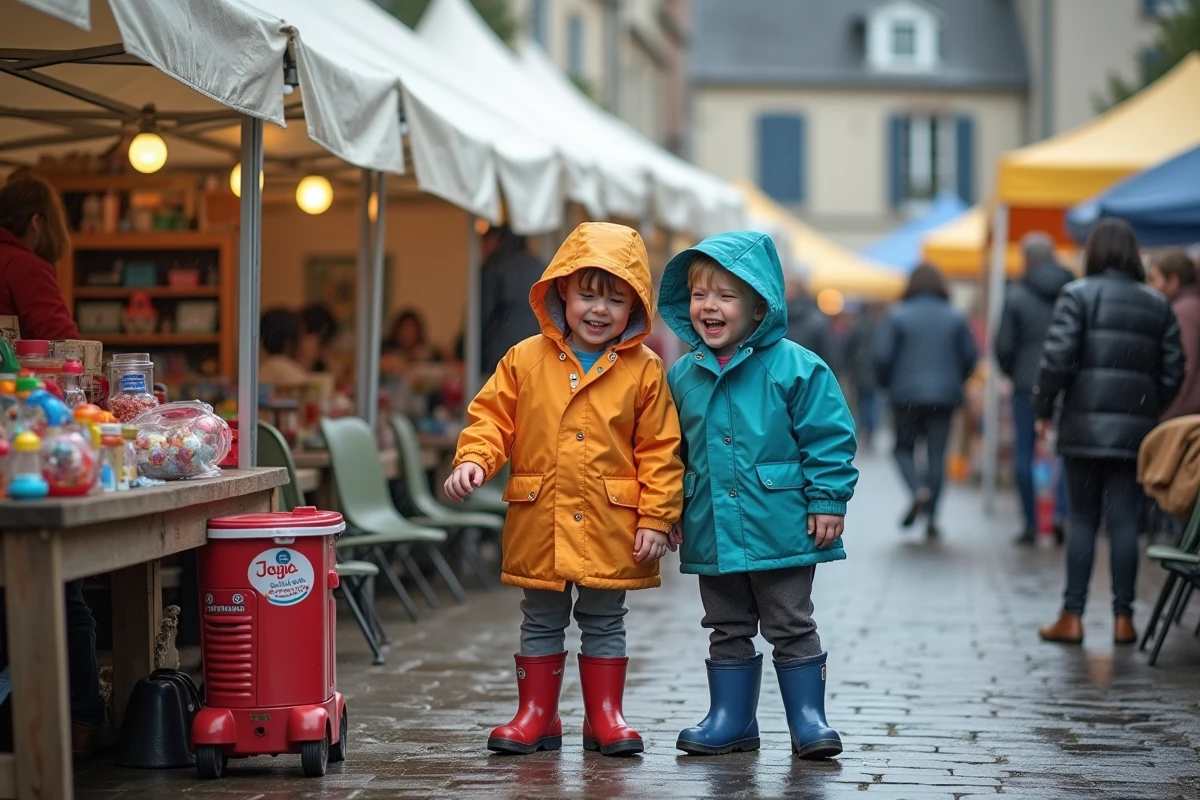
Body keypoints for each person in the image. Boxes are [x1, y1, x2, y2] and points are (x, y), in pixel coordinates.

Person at [443, 222, 683, 757]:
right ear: (561, 292)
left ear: (635, 306)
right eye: (587, 295)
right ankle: (537, 714)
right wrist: (475, 459)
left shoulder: (644, 370)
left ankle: (605, 716)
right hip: (542, 517)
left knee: (605, 619)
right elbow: (491, 419)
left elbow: (661, 450)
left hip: (611, 522)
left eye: (615, 300)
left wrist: (656, 517)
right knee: (541, 618)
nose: (599, 310)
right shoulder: (524, 358)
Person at [658, 232, 858, 760]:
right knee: (725, 625)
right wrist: (669, 508)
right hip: (711, 525)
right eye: (699, 295)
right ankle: (732, 719)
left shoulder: (796, 367)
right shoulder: (683, 376)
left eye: (726, 295)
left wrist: (827, 499)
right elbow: (668, 450)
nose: (709, 306)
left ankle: (808, 720)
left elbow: (829, 435)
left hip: (782, 523)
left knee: (790, 622)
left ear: (758, 306)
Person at [1036, 218, 1183, 647]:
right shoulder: (1157, 304)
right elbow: (1175, 368)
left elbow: (1056, 359)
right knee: (1124, 522)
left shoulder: (1077, 294)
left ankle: (1072, 615)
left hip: (1083, 426)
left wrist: (1045, 407)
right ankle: (1124, 618)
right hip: (1135, 431)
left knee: (1082, 518)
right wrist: (1148, 404)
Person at [0, 172, 105, 752]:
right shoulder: (24, 266)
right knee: (65, 590)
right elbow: (68, 351)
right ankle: (80, 721)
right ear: (37, 221)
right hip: (28, 440)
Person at [874, 264, 977, 539]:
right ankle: (932, 516)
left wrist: (887, 385)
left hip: (905, 395)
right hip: (944, 396)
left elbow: (882, 356)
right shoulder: (956, 316)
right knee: (937, 456)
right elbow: (970, 357)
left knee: (902, 448)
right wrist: (955, 380)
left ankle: (918, 489)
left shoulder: (896, 315)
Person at [995, 232, 1074, 546]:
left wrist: (1014, 372)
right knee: (1066, 450)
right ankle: (1061, 513)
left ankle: (1030, 522)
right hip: (1067, 381)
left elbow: (1003, 346)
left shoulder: (1016, 295)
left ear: (1026, 259)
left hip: (1027, 383)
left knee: (1025, 453)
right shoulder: (1073, 290)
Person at [479, 224, 546, 377]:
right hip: (535, 349)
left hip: (500, 352)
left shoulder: (494, 266)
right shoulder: (540, 266)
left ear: (496, 239)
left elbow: (481, 313)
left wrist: (462, 350)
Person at [1147, 251, 1200, 420]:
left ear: (1173, 282)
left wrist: (1166, 417)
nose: (1149, 286)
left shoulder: (1183, 312)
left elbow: (1185, 369)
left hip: (1184, 418)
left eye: (1153, 279)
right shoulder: (1190, 306)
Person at [844, 305, 880, 450]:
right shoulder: (875, 327)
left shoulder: (856, 328)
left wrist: (848, 368)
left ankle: (860, 429)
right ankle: (869, 431)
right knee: (871, 402)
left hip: (858, 370)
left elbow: (849, 350)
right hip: (873, 370)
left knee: (860, 402)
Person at [783, 272, 834, 366]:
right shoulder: (778, 317)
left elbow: (827, 357)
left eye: (789, 287)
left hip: (805, 371)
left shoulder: (815, 320)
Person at [258, 308, 310, 387]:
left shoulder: (261, 370)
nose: (304, 343)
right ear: (289, 343)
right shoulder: (293, 374)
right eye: (301, 336)